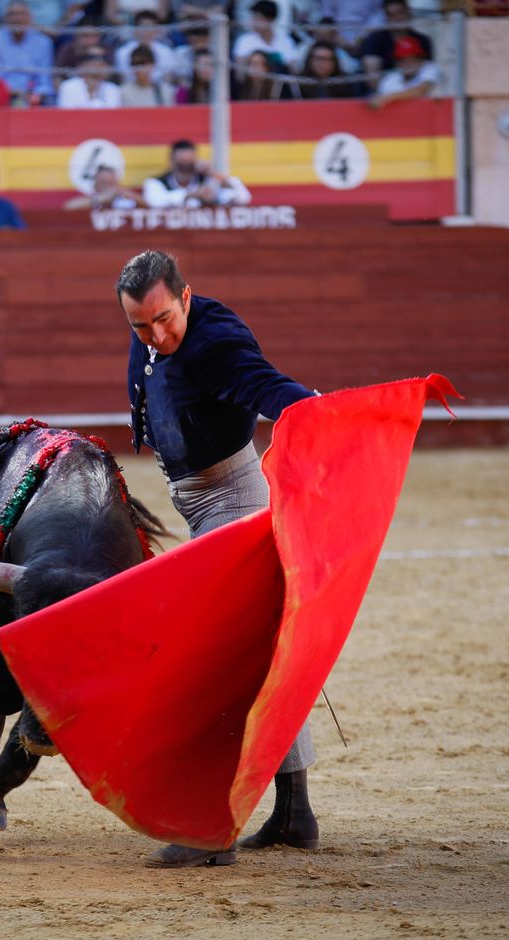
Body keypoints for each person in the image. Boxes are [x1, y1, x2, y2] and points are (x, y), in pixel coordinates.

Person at [114, 249, 321, 869]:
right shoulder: (152, 330)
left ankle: (213, 824)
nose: (156, 335)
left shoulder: (214, 338)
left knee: (214, 663)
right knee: (257, 658)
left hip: (233, 499)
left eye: (163, 320)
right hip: (200, 501)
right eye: (140, 327)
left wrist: (315, 410)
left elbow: (262, 383)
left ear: (185, 296)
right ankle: (293, 814)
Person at [141, 139, 250, 209]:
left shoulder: (207, 180)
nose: (186, 167)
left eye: (189, 163)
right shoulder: (155, 182)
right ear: (172, 161)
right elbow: (154, 202)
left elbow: (243, 198)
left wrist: (212, 173)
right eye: (182, 162)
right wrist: (192, 195)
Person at [0, 1, 51, 105]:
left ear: (30, 17)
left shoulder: (43, 43)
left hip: (32, 96)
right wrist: (7, 91)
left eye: (21, 14)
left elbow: (44, 79)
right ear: (5, 18)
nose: (17, 19)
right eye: (12, 14)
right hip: (1, 94)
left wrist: (36, 94)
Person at [370, 32, 436, 109]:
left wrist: (387, 98)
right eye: (402, 59)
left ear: (420, 59)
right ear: (397, 63)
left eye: (412, 58)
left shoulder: (429, 69)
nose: (407, 63)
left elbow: (421, 91)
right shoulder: (390, 78)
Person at [233, 0, 301, 72]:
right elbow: (240, 71)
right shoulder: (245, 40)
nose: (253, 22)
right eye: (254, 17)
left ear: (270, 20)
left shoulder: (286, 41)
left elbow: (294, 69)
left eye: (258, 18)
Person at [117, 42, 169, 107]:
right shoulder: (124, 91)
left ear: (152, 64)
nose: (138, 68)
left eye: (142, 63)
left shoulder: (165, 91)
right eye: (134, 64)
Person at [64, 163, 135, 210]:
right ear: (96, 184)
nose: (108, 186)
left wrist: (126, 194)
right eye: (104, 182)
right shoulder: (93, 199)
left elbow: (145, 204)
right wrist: (101, 199)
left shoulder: (126, 197)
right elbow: (68, 207)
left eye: (111, 182)